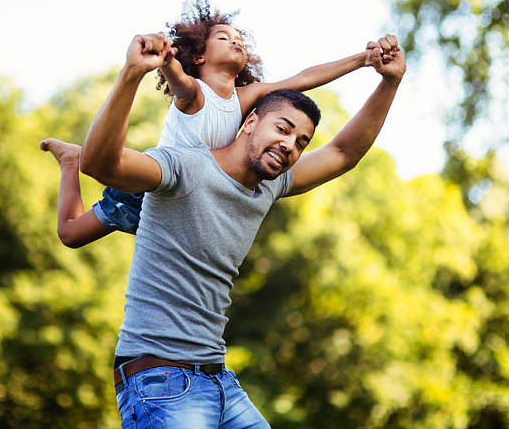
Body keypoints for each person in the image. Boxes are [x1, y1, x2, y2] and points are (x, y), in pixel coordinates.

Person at [77, 31, 406, 428]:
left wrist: (389, 82)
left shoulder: (270, 185)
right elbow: (99, 164)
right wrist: (131, 75)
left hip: (218, 379)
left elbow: (342, 152)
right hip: (160, 378)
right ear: (250, 122)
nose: (290, 146)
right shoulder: (183, 167)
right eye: (282, 129)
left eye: (301, 142)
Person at [41, 0, 387, 248]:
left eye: (239, 40)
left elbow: (303, 77)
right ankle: (71, 160)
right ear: (200, 54)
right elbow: (178, 78)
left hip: (193, 200)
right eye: (225, 38)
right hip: (156, 182)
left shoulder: (246, 97)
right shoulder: (194, 93)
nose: (236, 41)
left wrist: (362, 60)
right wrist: (162, 59)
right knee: (71, 234)